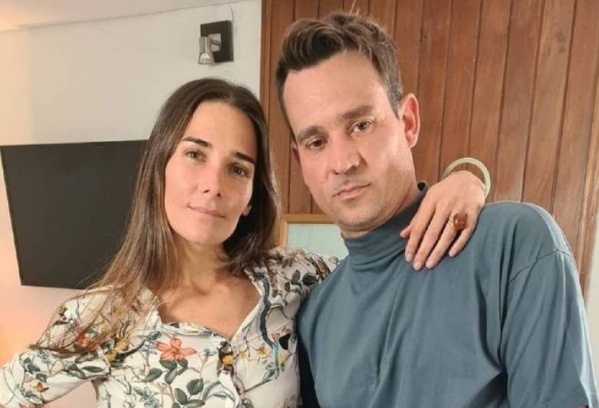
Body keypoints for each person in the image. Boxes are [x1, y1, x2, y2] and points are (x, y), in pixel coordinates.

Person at [0, 78, 486, 407]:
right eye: (195, 155)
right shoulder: (102, 316)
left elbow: (388, 267)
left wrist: (467, 177)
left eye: (237, 169)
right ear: (159, 168)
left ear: (252, 196)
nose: (213, 185)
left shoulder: (292, 278)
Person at [275, 11, 599, 408]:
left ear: (408, 122)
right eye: (316, 142)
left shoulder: (513, 245)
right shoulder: (316, 315)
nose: (342, 162)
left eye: (360, 125)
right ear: (300, 162)